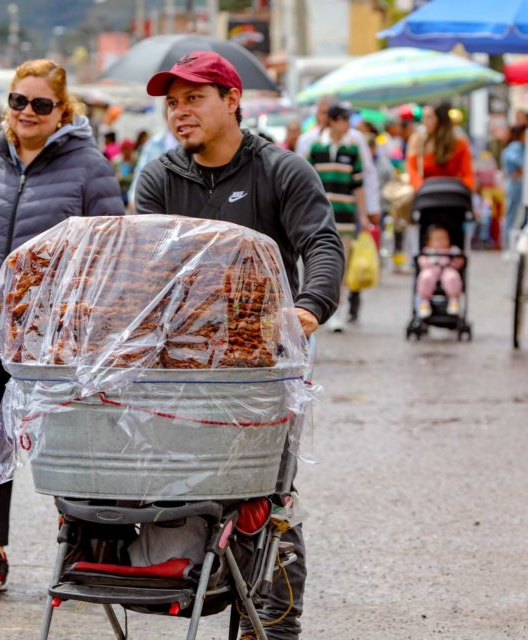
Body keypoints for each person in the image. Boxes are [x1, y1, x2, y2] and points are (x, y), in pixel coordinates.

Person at [134, 51, 345, 640]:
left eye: (194, 98)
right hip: (180, 367)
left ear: (232, 100)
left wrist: (306, 310)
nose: (180, 113)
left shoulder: (282, 171)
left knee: (269, 490)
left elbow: (322, 245)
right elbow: (144, 269)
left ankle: (271, 623)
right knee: (188, 487)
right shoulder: (159, 178)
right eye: (172, 103)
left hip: (263, 367)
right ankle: (194, 589)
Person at [0, 58, 123, 598]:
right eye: (19, 101)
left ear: (63, 110)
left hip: (54, 342)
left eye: (41, 104)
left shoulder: (90, 167)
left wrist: (101, 337)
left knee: (67, 449)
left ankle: (84, 549)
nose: (28, 113)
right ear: (7, 104)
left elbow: (109, 260)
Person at [306, 103, 371, 327]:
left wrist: (363, 215)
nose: (347, 125)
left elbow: (359, 186)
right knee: (315, 265)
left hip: (345, 217)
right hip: (317, 218)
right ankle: (315, 309)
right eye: (344, 119)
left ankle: (338, 312)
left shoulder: (352, 149)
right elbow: (307, 185)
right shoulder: (316, 148)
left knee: (340, 267)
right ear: (333, 121)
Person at [407, 103, 475, 192]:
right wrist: (422, 190)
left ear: (441, 119)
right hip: (426, 196)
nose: (424, 122)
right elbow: (412, 172)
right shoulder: (417, 141)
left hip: (452, 194)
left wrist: (460, 191)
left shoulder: (459, 144)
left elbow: (468, 176)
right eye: (423, 118)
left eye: (429, 117)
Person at [416, 224, 464, 318]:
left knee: (452, 277)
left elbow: (460, 261)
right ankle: (425, 301)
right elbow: (421, 261)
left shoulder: (452, 250)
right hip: (432, 270)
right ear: (429, 242)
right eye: (437, 239)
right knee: (425, 277)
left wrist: (456, 260)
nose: (441, 241)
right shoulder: (428, 251)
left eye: (444, 238)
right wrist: (428, 263)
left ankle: (453, 300)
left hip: (447, 269)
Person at [502, 124, 527, 252]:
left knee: (516, 214)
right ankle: (508, 245)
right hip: (516, 183)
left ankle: (511, 244)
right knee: (513, 214)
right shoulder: (516, 147)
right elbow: (521, 162)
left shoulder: (520, 147)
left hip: (516, 182)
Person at [113, 139, 137, 206]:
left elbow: (135, 177)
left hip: (131, 193)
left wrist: (122, 178)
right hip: (119, 193)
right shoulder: (116, 161)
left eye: (128, 149)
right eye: (125, 149)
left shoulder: (135, 161)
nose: (127, 151)